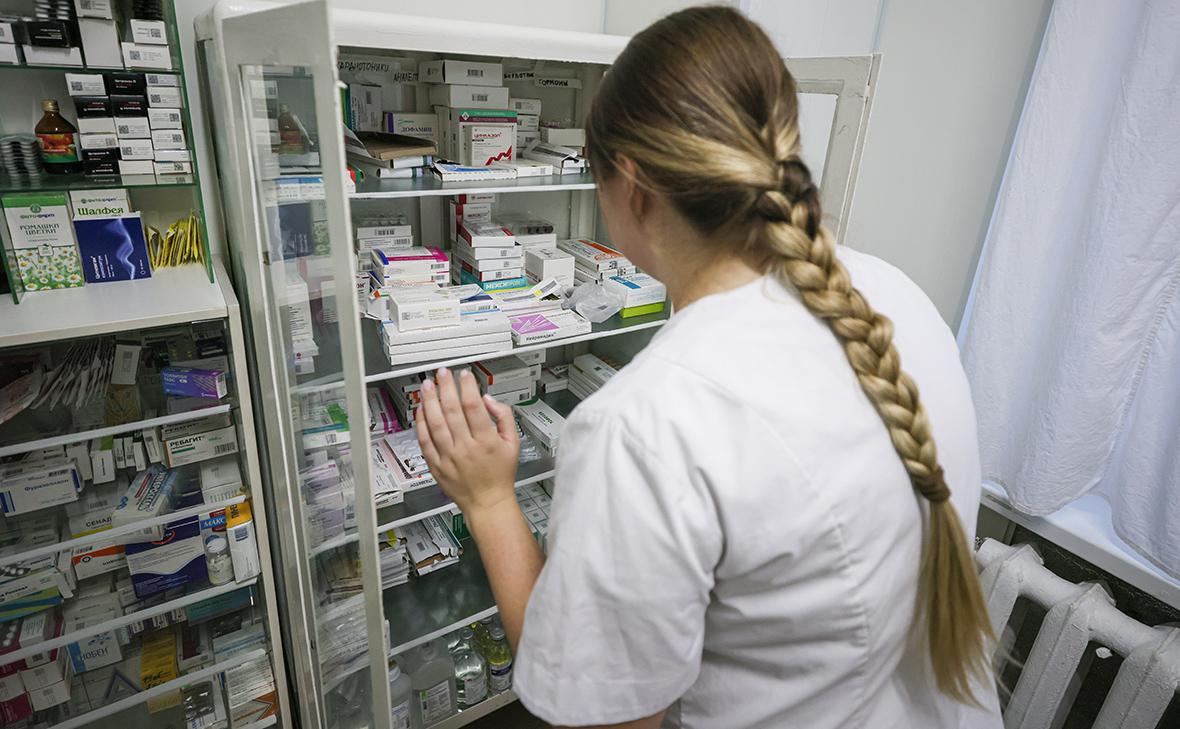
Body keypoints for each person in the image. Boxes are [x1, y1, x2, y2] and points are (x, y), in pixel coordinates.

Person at [414, 6, 1002, 728]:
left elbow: (603, 719)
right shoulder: (895, 295)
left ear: (632, 187)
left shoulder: (647, 424)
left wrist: (488, 499)